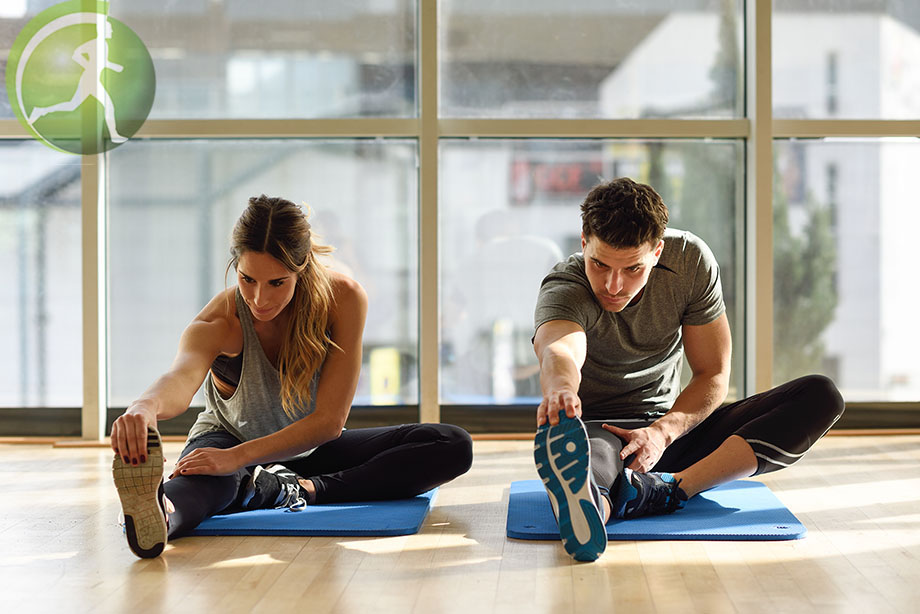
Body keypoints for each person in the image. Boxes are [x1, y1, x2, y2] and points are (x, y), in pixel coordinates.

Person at [111, 195, 473, 558]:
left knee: (451, 444)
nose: (259, 299)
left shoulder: (342, 300)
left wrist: (242, 458)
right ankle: (160, 517)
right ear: (235, 265)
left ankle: (298, 488)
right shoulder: (221, 320)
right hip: (226, 440)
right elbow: (181, 377)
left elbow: (329, 423)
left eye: (277, 283)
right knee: (207, 485)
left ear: (301, 268)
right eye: (247, 279)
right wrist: (145, 407)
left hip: (309, 447)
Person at [531, 178, 844, 562]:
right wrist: (561, 390)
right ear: (584, 243)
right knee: (587, 467)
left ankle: (670, 488)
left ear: (658, 251)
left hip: (675, 431)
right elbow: (561, 349)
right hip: (602, 433)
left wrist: (662, 433)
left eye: (632, 268)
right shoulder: (565, 284)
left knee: (820, 396)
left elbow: (712, 372)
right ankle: (593, 510)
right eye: (599, 264)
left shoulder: (689, 261)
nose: (613, 285)